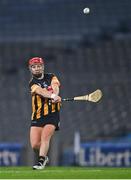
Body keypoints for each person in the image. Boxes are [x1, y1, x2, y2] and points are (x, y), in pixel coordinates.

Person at [28, 57, 61, 170]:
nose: (36, 68)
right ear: (30, 69)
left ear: (42, 67)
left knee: (45, 137)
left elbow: (55, 86)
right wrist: (52, 96)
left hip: (53, 113)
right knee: (35, 144)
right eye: (34, 67)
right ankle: (45, 157)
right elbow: (41, 91)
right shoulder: (32, 83)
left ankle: (41, 161)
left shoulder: (51, 76)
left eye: (38, 66)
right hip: (38, 115)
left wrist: (55, 95)